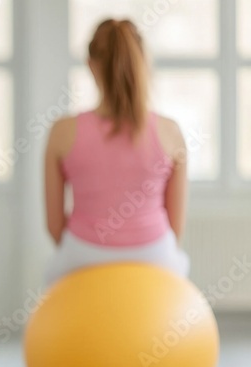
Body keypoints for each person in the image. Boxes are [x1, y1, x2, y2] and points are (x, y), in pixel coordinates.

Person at [44, 19, 189, 285]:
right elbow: (175, 229)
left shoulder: (62, 132)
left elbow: (54, 227)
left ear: (91, 65)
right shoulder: (171, 132)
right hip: (156, 259)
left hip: (82, 259)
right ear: (142, 61)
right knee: (181, 261)